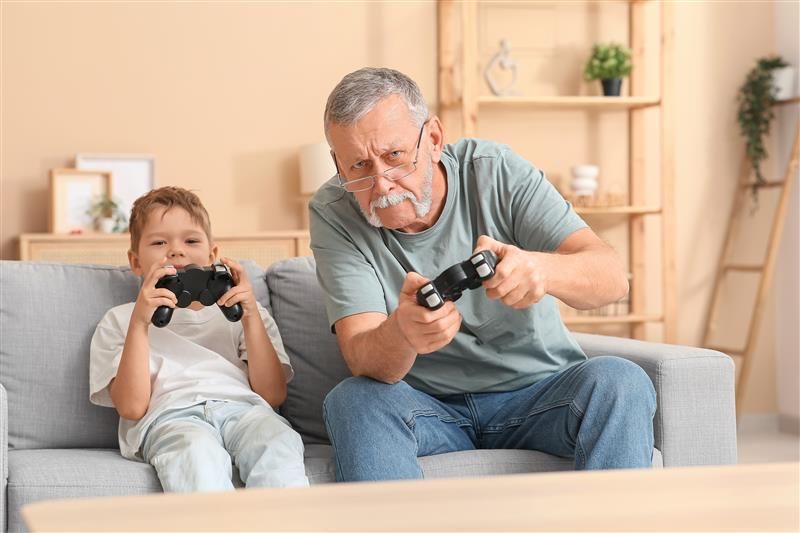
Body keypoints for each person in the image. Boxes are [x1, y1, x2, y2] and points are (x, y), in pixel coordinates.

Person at [309, 67, 656, 481]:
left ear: (434, 139)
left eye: (395, 157)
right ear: (337, 165)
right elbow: (361, 354)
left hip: (541, 393)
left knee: (621, 382)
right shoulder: (333, 212)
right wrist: (402, 333)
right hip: (427, 406)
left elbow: (612, 278)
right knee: (353, 401)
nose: (381, 184)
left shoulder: (494, 171)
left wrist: (541, 269)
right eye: (359, 167)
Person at [90, 186, 309, 492]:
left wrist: (249, 317)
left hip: (245, 411)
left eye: (191, 240)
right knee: (195, 453)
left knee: (277, 443)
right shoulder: (120, 320)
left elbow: (272, 395)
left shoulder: (245, 312)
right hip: (171, 419)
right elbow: (132, 407)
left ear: (212, 255)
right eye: (158, 242)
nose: (176, 250)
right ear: (136, 260)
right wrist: (141, 322)